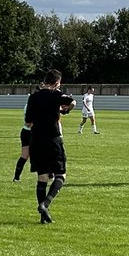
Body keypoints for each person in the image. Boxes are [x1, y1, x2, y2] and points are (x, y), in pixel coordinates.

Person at [24, 69, 76, 224]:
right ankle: (45, 204)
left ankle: (43, 217)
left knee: (42, 177)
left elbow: (28, 122)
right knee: (61, 175)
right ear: (57, 83)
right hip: (53, 139)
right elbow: (72, 102)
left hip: (37, 140)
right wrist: (65, 110)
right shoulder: (56, 94)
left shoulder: (33, 97)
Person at [13, 88, 36, 182]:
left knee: (42, 154)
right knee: (25, 155)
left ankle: (49, 175)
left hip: (32, 132)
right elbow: (28, 123)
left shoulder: (35, 105)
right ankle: (17, 177)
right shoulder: (29, 106)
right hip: (28, 132)